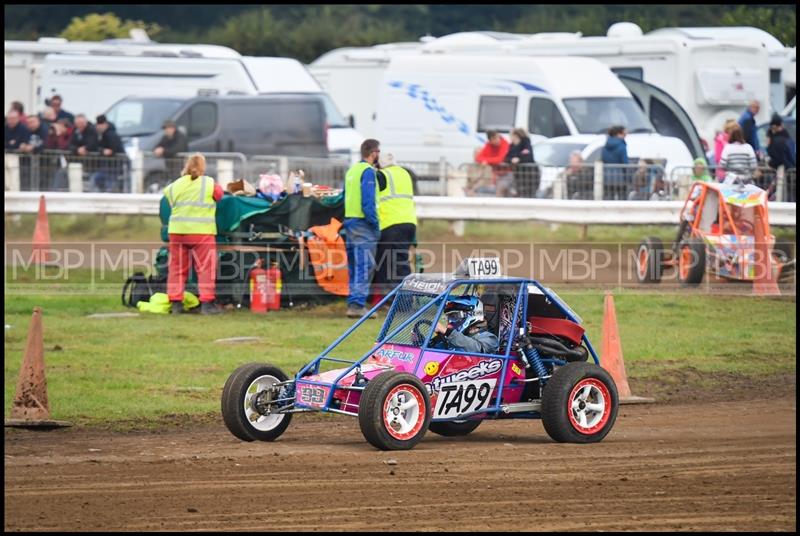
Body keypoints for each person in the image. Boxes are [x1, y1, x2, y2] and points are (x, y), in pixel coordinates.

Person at [163, 153, 225, 315]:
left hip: (176, 231)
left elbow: (168, 198)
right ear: (203, 167)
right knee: (205, 268)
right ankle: (207, 304)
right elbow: (220, 195)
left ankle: (176, 303)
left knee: (176, 268)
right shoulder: (209, 183)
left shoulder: (175, 185)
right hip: (201, 232)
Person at [372, 152, 417, 304]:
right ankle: (405, 299)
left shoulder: (381, 175)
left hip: (391, 224)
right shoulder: (404, 173)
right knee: (401, 261)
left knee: (390, 263)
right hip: (409, 223)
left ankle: (398, 301)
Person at [343, 139, 381, 318]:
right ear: (373, 153)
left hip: (349, 221)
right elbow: (368, 202)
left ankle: (354, 302)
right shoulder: (367, 172)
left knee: (354, 264)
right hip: (363, 224)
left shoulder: (352, 171)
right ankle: (357, 304)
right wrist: (375, 223)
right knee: (365, 264)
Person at [432, 296, 500, 354]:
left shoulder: (490, 338)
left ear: (473, 314)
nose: (450, 321)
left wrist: (448, 332)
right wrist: (437, 340)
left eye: (454, 316)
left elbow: (478, 349)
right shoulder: (453, 337)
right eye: (449, 317)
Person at [90, 115, 128, 192]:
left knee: (106, 184)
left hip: (114, 167)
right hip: (108, 167)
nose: (98, 127)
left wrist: (109, 151)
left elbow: (114, 148)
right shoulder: (104, 134)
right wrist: (102, 150)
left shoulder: (110, 134)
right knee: (97, 180)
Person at [500, 127, 536, 197]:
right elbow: (506, 158)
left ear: (515, 136)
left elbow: (527, 156)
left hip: (530, 174)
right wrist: (511, 160)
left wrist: (519, 159)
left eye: (511, 135)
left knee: (529, 194)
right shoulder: (511, 146)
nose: (510, 137)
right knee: (518, 193)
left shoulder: (526, 143)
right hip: (518, 174)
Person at [600, 125, 629, 199]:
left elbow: (603, 159)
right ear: (619, 134)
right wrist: (628, 177)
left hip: (607, 177)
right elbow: (625, 163)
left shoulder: (605, 146)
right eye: (624, 134)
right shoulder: (622, 146)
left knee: (609, 198)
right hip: (620, 177)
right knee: (622, 198)